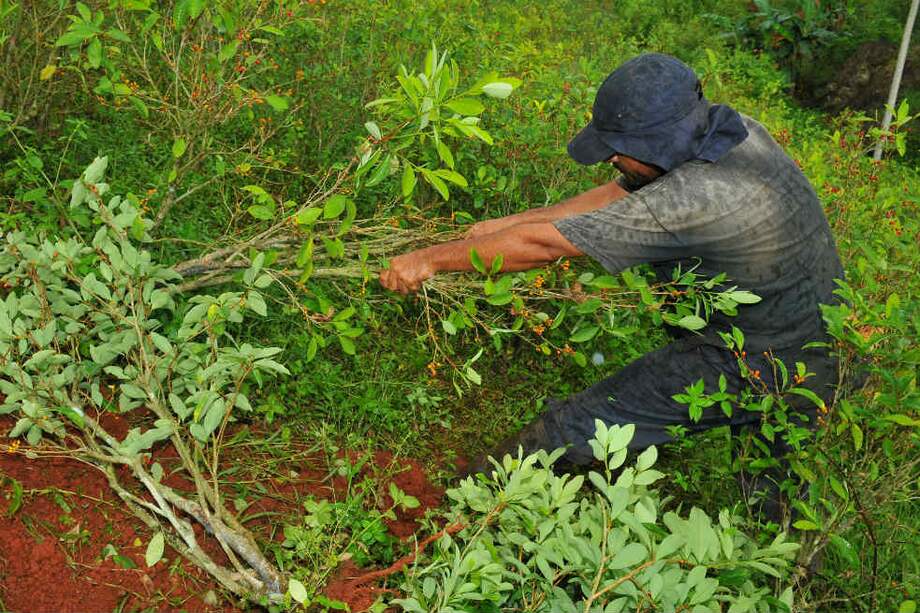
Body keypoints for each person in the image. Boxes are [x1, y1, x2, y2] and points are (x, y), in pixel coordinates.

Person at [378, 53, 843, 508]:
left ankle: (460, 505)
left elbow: (548, 247)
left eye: (622, 149)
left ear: (661, 144)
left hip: (753, 358)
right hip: (814, 346)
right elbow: (618, 191)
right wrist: (511, 224)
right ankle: (792, 570)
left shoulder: (697, 199)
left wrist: (429, 260)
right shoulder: (728, 132)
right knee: (776, 497)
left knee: (578, 427)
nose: (614, 157)